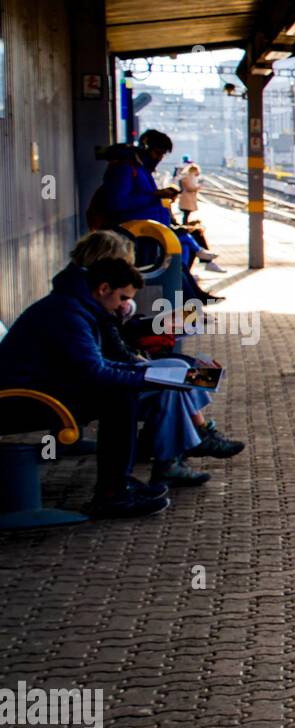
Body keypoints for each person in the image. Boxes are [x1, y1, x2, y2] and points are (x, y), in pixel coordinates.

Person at [69, 231, 244, 486]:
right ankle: (188, 443)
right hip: (81, 387)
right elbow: (109, 354)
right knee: (175, 378)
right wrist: (147, 370)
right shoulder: (83, 303)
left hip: (105, 369)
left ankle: (190, 439)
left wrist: (161, 327)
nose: (130, 270)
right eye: (125, 266)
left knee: (184, 372)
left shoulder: (85, 294)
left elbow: (117, 340)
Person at [0, 257, 166, 518]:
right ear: (103, 289)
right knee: (118, 399)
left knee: (121, 394)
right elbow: (94, 373)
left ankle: (117, 484)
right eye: (122, 298)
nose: (125, 306)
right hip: (19, 402)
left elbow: (96, 364)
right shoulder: (68, 314)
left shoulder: (75, 307)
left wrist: (148, 372)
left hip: (37, 392)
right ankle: (112, 494)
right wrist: (152, 378)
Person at [94, 130, 223, 303]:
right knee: (172, 270)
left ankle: (195, 303)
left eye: (162, 154)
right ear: (144, 148)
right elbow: (116, 204)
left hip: (149, 234)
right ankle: (191, 308)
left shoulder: (139, 169)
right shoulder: (125, 169)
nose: (159, 158)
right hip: (135, 237)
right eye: (157, 153)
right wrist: (155, 196)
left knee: (177, 266)